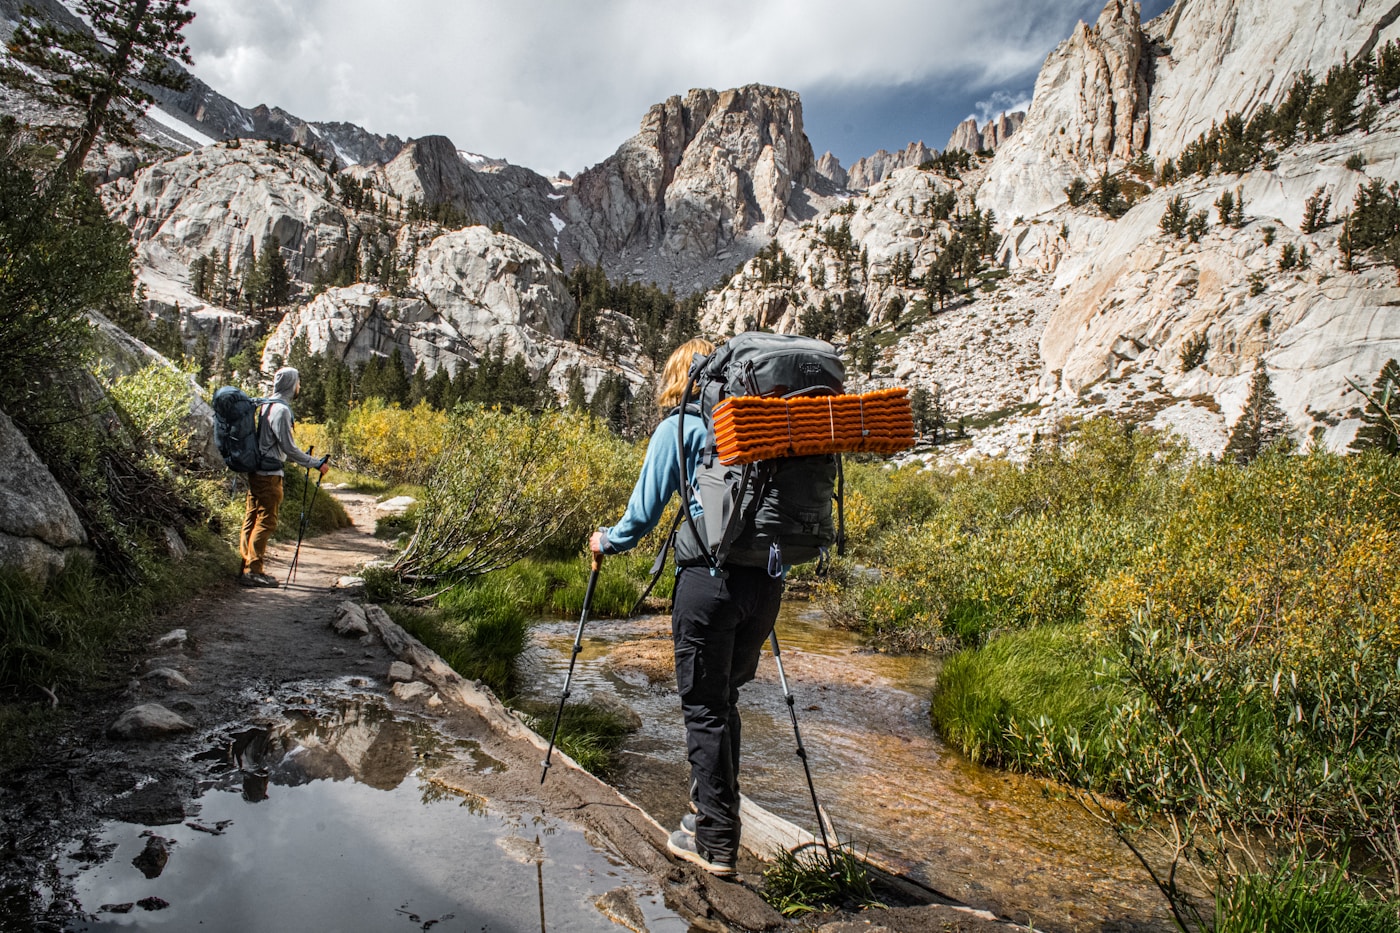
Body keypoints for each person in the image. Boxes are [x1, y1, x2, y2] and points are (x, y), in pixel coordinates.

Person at [589, 337, 784, 878]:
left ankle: (716, 844)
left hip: (709, 584)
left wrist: (605, 541)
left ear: (681, 376)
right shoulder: (756, 423)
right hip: (766, 585)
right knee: (726, 700)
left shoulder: (684, 426)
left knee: (704, 708)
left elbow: (642, 516)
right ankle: (713, 819)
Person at [239, 366, 329, 587]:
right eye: (298, 382)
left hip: (255, 471)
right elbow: (288, 448)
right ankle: (254, 570)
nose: (300, 386)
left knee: (251, 518)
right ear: (291, 384)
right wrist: (315, 463)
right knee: (266, 521)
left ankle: (245, 566)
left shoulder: (265, 405)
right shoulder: (282, 411)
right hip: (269, 475)